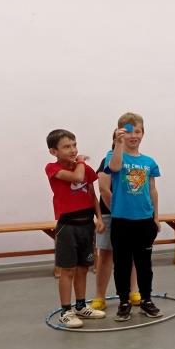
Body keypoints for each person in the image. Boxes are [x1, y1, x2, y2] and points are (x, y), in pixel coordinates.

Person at [45, 129, 106, 328]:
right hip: (67, 226)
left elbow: (92, 194)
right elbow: (77, 178)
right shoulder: (52, 168)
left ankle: (80, 306)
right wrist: (80, 161)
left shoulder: (83, 168)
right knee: (68, 270)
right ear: (53, 151)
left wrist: (99, 217)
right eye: (66, 147)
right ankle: (66, 311)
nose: (72, 150)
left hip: (86, 225)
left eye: (74, 145)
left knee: (83, 268)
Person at [105, 112, 162, 322]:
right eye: (128, 132)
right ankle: (124, 302)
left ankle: (146, 299)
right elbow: (114, 167)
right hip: (122, 220)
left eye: (137, 131)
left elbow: (152, 190)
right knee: (122, 264)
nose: (133, 136)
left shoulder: (149, 162)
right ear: (120, 133)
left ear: (143, 133)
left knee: (144, 263)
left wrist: (156, 217)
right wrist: (118, 143)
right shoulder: (113, 156)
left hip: (144, 220)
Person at [92, 131, 139, 311]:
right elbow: (104, 190)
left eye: (136, 133)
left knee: (132, 254)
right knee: (106, 255)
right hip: (110, 214)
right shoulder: (108, 161)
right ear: (116, 140)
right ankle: (99, 296)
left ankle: (133, 291)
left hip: (132, 215)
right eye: (124, 135)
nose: (131, 137)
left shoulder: (135, 161)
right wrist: (119, 212)